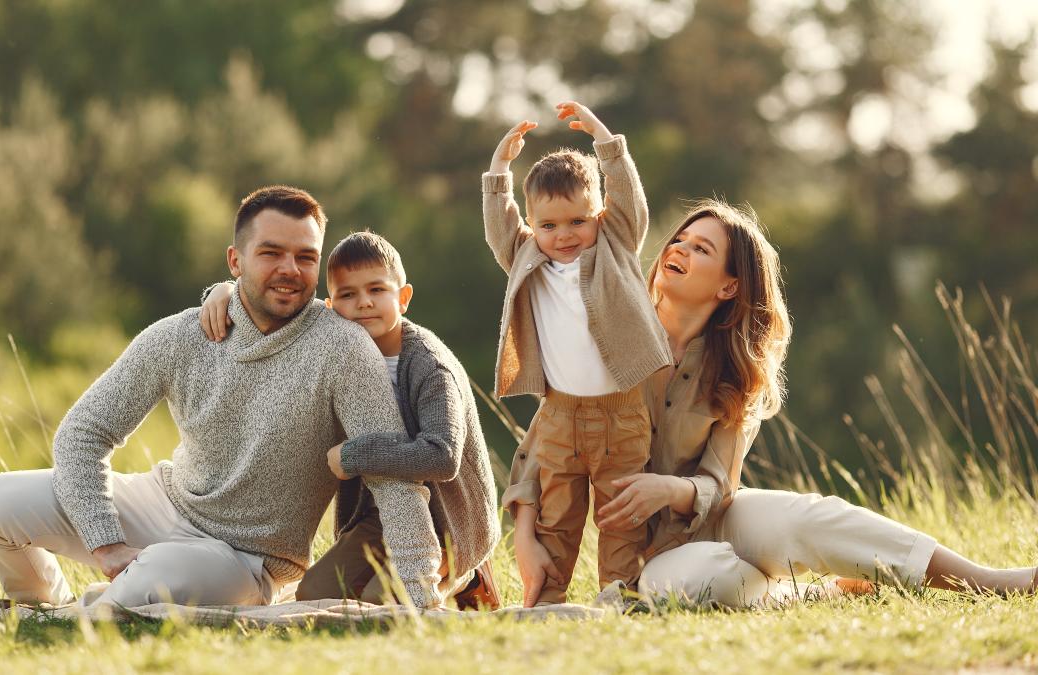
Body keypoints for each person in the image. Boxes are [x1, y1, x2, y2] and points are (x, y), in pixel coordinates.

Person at [509, 199, 1038, 607]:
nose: (678, 250)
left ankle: (985, 580)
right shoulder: (605, 337)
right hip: (647, 556)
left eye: (701, 250)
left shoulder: (736, 372)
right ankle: (813, 594)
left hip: (715, 517)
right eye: (681, 240)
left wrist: (669, 488)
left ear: (728, 288)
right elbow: (547, 440)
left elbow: (720, 486)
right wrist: (528, 536)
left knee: (809, 517)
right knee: (693, 581)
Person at [0, 185, 445, 609]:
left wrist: (423, 597)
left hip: (244, 560)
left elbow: (393, 478)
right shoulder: (180, 335)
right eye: (270, 253)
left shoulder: (344, 347)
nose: (289, 270)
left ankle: (98, 610)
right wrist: (105, 543)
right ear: (235, 261)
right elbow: (83, 432)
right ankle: (44, 611)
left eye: (305, 257)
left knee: (150, 583)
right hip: (162, 503)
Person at [201, 231, 502, 609]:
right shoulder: (338, 353)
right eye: (347, 295)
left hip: (447, 522)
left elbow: (442, 456)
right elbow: (279, 310)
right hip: (378, 516)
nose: (363, 303)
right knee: (315, 594)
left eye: (377, 290)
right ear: (330, 308)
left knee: (386, 601)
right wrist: (226, 291)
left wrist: (356, 455)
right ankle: (406, 572)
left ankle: (467, 577)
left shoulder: (429, 367)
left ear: (403, 298)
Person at [482, 102, 673, 604]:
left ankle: (619, 592)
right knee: (557, 514)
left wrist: (605, 142)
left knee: (620, 513)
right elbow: (500, 226)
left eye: (577, 221)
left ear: (599, 216)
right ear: (532, 224)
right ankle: (550, 599)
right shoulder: (526, 256)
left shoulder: (615, 242)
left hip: (622, 412)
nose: (563, 235)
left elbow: (630, 200)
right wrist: (499, 169)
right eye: (548, 226)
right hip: (561, 415)